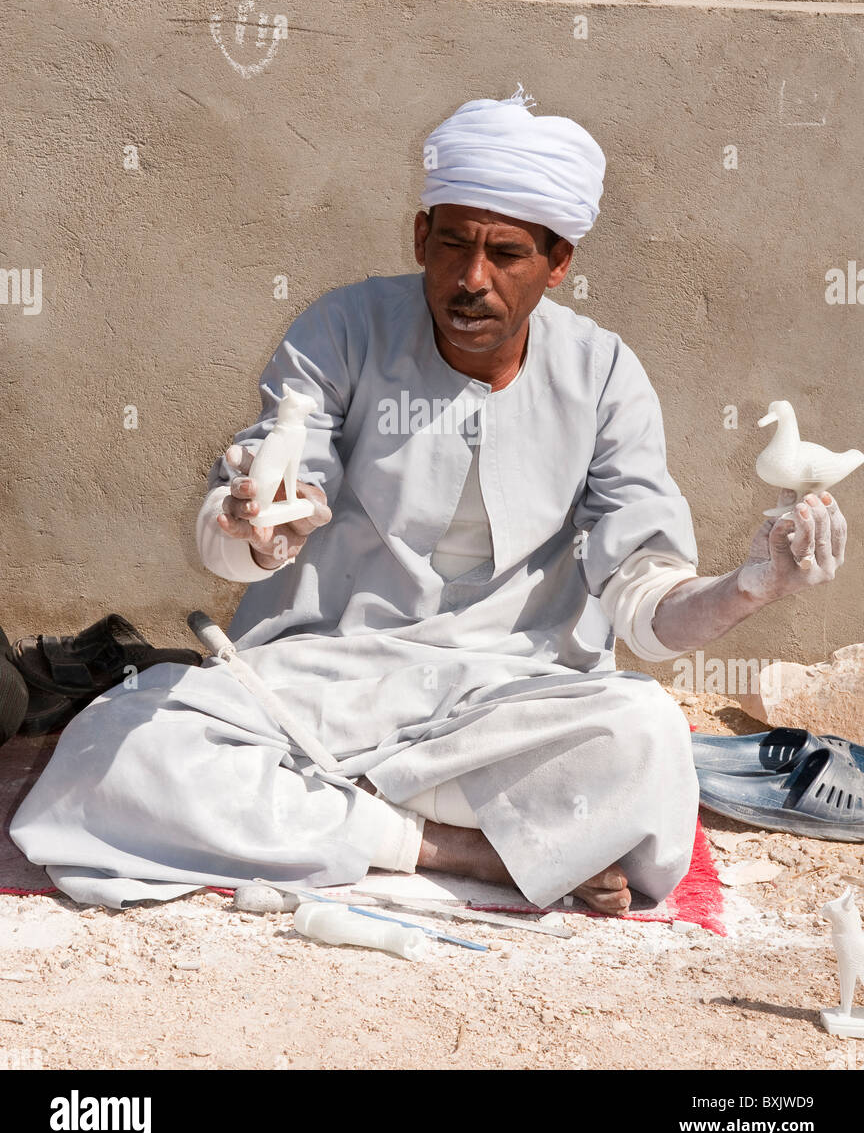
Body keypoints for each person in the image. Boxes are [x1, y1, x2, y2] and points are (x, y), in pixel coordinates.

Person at [10, 86, 847, 914]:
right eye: (452, 245)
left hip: (513, 697)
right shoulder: (342, 329)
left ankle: (336, 813)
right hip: (328, 676)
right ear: (421, 237)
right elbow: (265, 499)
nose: (470, 280)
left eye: (507, 255)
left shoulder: (604, 375)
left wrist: (751, 589)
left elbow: (646, 611)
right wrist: (259, 529)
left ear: (558, 265)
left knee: (647, 738)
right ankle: (461, 850)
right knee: (115, 753)